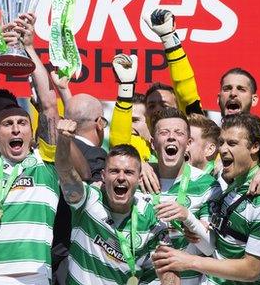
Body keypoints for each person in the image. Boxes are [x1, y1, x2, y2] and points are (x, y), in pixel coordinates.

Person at [0, 14, 59, 284]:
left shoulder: (46, 164)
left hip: (37, 274)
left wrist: (29, 48)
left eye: (22, 123)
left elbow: (49, 106)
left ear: (32, 134)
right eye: (7, 124)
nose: (16, 129)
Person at [152, 113, 260, 284]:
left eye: (232, 143)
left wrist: (189, 261)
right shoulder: (234, 186)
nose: (223, 149)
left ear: (255, 147)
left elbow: (251, 270)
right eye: (221, 142)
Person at [55, 117, 173, 284]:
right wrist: (63, 141)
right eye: (114, 171)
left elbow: (167, 269)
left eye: (128, 172)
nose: (121, 177)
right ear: (103, 176)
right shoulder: (87, 200)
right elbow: (65, 170)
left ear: (139, 179)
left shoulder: (150, 216)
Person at [148, 107, 222, 284]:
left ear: (188, 143)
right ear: (152, 142)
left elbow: (209, 247)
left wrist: (187, 217)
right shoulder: (136, 178)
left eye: (178, 132)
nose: (171, 137)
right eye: (164, 132)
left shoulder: (207, 184)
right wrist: (140, 165)